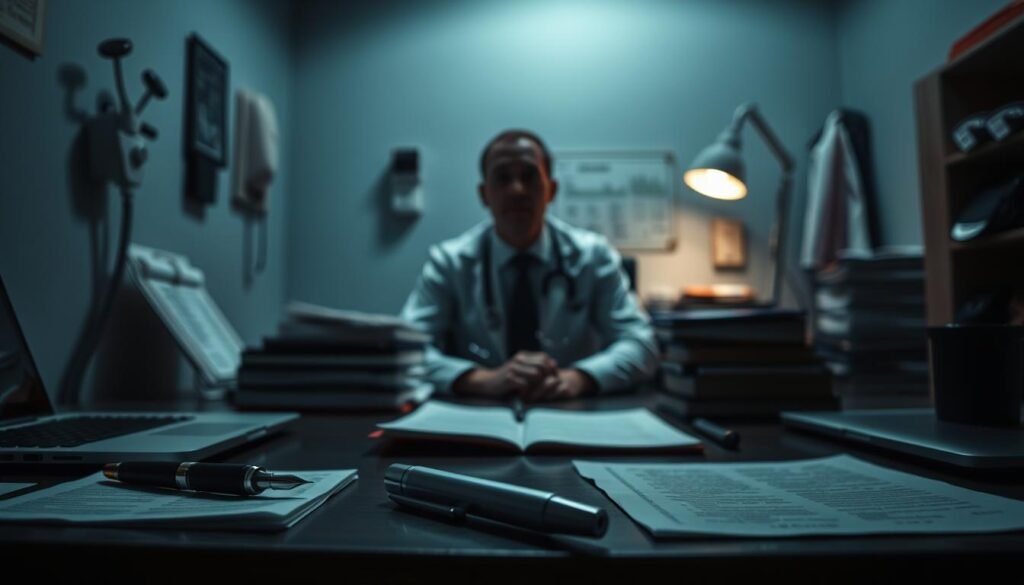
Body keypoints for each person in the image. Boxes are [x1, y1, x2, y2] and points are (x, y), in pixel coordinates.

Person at [400, 130, 657, 402]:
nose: (517, 189)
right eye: (503, 178)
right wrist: (481, 380)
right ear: (484, 194)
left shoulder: (593, 256)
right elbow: (405, 351)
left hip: (573, 413)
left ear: (552, 190)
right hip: (480, 417)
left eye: (529, 176)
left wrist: (579, 378)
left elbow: (642, 346)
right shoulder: (449, 263)